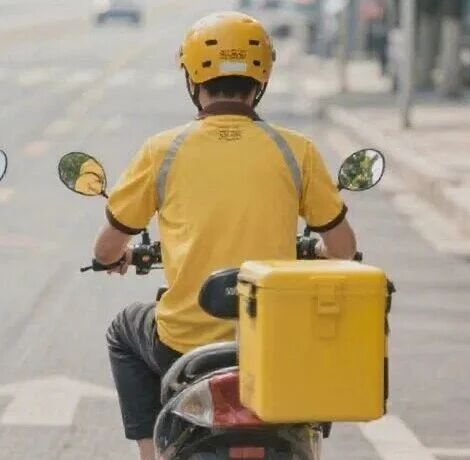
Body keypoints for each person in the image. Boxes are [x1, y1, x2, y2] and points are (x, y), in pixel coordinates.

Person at [90, 12, 357, 459]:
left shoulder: (162, 151)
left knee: (123, 330)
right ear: (262, 79)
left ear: (193, 79)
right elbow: (344, 249)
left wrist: (116, 257)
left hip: (182, 343)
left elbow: (105, 249)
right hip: (271, 339)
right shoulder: (296, 150)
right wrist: (321, 251)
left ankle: (150, 453)